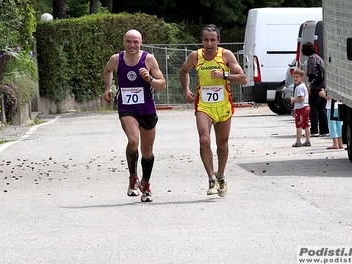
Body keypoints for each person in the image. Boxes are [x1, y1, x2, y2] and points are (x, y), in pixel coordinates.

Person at [179, 24, 248, 197]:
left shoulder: (225, 55)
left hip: (223, 105)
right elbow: (184, 71)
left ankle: (221, 175)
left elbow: (243, 79)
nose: (209, 44)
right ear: (201, 40)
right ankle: (211, 178)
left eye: (212, 40)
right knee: (204, 140)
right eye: (205, 40)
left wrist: (225, 75)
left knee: (222, 144)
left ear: (218, 40)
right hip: (203, 105)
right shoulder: (195, 56)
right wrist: (186, 89)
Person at [103, 29, 166, 202]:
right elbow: (107, 70)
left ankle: (145, 184)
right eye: (129, 41)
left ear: (141, 42)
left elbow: (162, 85)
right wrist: (108, 88)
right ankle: (133, 177)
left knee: (147, 151)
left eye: (135, 42)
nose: (132, 45)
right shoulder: (116, 59)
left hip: (146, 109)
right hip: (127, 108)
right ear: (124, 42)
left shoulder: (149, 59)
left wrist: (150, 80)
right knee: (133, 141)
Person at [301, 42, 329, 138]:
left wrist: (309, 85)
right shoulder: (319, 58)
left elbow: (312, 72)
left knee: (314, 110)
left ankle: (314, 130)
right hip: (323, 86)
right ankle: (324, 130)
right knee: (322, 109)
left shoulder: (311, 59)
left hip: (316, 87)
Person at [290, 68, 311, 147]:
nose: (295, 78)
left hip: (301, 108)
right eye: (294, 77)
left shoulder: (299, 88)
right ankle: (307, 140)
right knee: (306, 124)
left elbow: (301, 98)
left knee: (299, 125)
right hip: (306, 107)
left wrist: (293, 100)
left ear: (302, 77)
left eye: (297, 77)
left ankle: (298, 141)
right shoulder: (303, 86)